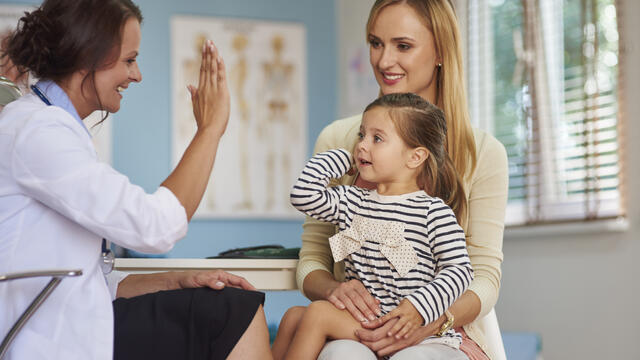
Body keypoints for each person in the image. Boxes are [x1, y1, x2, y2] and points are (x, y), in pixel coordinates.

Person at [0, 1, 272, 359]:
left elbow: (88, 278)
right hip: (47, 337)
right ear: (88, 56)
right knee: (231, 312)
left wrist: (175, 281)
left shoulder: (49, 127)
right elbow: (156, 226)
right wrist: (209, 131)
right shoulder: (38, 132)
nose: (137, 75)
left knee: (225, 303)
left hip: (68, 321)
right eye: (129, 60)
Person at [296, 1, 509, 359]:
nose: (382, 60)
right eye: (376, 43)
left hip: (443, 329)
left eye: (403, 45)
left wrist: (429, 318)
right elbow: (313, 258)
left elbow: (482, 276)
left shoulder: (483, 153)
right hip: (357, 324)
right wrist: (334, 289)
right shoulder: (341, 140)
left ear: (441, 50)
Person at [273, 93, 473, 360]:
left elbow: (460, 270)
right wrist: (342, 160)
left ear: (415, 157)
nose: (362, 145)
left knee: (318, 314)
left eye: (377, 138)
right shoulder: (351, 201)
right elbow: (303, 195)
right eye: (361, 135)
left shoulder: (432, 212)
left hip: (414, 331)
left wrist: (419, 306)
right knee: (292, 316)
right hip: (368, 320)